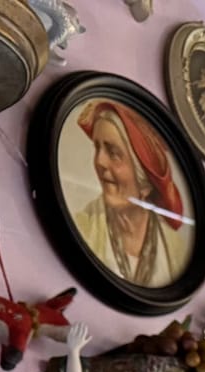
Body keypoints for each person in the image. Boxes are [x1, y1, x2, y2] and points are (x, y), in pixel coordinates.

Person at [73, 99, 187, 288]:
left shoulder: (175, 250)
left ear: (145, 183)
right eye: (97, 148)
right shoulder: (83, 227)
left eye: (113, 153)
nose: (99, 161)